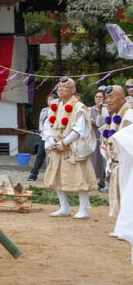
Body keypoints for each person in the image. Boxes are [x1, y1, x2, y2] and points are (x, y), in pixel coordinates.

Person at [41, 78, 97, 219]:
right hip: (56, 146)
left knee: (80, 177)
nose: (60, 90)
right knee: (58, 177)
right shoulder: (54, 106)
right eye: (59, 87)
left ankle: (83, 209)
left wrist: (63, 143)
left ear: (73, 90)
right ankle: (64, 207)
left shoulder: (79, 107)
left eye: (65, 88)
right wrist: (51, 141)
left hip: (73, 148)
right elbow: (47, 126)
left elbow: (79, 129)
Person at [101, 85, 132, 236]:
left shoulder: (129, 115)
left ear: (122, 98)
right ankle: (121, 227)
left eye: (111, 97)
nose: (108, 101)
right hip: (115, 162)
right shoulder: (114, 115)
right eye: (106, 98)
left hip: (126, 163)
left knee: (127, 194)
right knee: (118, 194)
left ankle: (126, 227)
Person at [28, 92, 54, 181]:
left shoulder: (59, 110)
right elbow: (41, 122)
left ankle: (53, 175)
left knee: (53, 155)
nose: (51, 101)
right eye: (49, 99)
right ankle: (34, 173)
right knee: (40, 153)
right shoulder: (44, 110)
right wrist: (41, 131)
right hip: (44, 135)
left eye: (53, 99)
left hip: (54, 135)